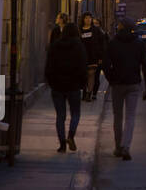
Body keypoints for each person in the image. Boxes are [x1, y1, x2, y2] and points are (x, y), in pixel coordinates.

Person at [102, 17, 146, 161]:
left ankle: (118, 147)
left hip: (117, 84)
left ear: (120, 28)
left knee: (117, 116)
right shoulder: (139, 44)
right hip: (133, 84)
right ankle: (126, 146)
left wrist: (111, 79)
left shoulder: (112, 44)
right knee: (130, 116)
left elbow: (105, 65)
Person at [45, 23, 88, 153]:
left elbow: (49, 66)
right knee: (75, 113)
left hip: (57, 86)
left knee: (60, 116)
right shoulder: (79, 46)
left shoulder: (55, 45)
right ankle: (71, 135)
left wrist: (51, 82)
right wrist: (83, 83)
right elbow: (83, 65)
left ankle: (62, 144)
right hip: (74, 85)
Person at [78, 11, 108, 102]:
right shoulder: (79, 30)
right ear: (83, 19)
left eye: (90, 18)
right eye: (86, 18)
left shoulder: (96, 30)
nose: (88, 20)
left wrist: (101, 57)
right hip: (82, 57)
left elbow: (102, 43)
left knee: (91, 75)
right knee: (83, 76)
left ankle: (89, 93)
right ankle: (84, 91)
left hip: (93, 56)